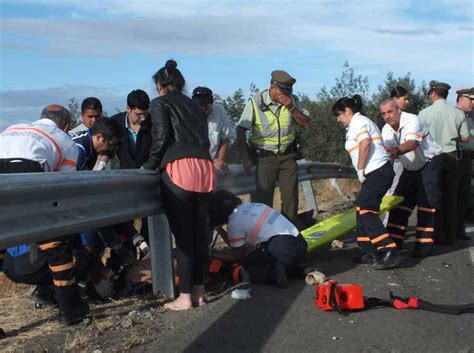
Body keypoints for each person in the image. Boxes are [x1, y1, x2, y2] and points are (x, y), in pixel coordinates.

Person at [0, 105, 89, 325]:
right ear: (66, 125)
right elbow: (62, 187)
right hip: (28, 171)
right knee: (55, 240)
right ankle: (70, 309)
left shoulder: (14, 127)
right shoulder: (66, 140)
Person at [142, 60, 215, 310]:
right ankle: (199, 292)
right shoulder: (195, 105)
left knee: (183, 237)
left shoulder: (159, 103)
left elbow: (161, 139)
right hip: (205, 168)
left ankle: (184, 297)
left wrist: (149, 166)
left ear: (159, 85)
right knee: (199, 235)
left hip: (178, 167)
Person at [332, 95, 399, 270]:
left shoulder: (358, 122)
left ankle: (388, 249)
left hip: (377, 172)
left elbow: (365, 143)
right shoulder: (357, 123)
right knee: (361, 209)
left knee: (367, 211)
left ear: (347, 111)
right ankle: (368, 250)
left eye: (338, 115)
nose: (338, 120)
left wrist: (360, 168)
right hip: (376, 173)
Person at [236, 70, 310, 223]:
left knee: (290, 198)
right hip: (264, 158)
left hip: (288, 155)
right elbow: (241, 129)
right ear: (272, 86)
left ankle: (289, 232)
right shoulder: (256, 101)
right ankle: (264, 236)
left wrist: (292, 108)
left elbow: (306, 123)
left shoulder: (293, 101)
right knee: (263, 200)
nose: (285, 95)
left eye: (289, 91)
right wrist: (245, 157)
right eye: (282, 91)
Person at [380, 98, 442, 258]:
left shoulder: (412, 120)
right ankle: (393, 244)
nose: (387, 116)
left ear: (398, 110)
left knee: (426, 206)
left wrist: (393, 152)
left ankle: (423, 248)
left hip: (428, 163)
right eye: (383, 113)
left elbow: (411, 145)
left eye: (390, 111)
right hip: (409, 168)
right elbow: (390, 157)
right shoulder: (386, 130)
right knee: (398, 204)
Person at [209, 190, 308, 288]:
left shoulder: (234, 222)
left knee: (248, 263)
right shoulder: (254, 206)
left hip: (280, 246)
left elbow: (238, 256)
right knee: (277, 260)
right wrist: (219, 229)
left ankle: (273, 274)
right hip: (300, 244)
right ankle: (300, 270)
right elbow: (235, 244)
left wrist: (211, 254)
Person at [418, 81, 469, 245]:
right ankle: (450, 235)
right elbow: (465, 138)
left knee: (432, 196)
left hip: (432, 157)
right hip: (452, 156)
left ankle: (433, 234)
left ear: (433, 93)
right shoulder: (457, 113)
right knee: (451, 197)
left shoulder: (423, 114)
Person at [192, 86, 231, 174]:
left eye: (206, 108)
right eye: (200, 108)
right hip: (193, 164)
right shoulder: (186, 113)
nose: (204, 111)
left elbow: (225, 138)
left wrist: (220, 160)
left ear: (211, 103)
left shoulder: (220, 111)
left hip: (212, 163)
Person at [110, 89, 152, 169]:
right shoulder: (115, 123)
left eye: (146, 113)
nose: (143, 118)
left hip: (149, 172)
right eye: (139, 114)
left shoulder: (153, 123)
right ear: (128, 109)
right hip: (125, 174)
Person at [456, 87, 474, 240]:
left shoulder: (471, 117)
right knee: (452, 196)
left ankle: (460, 229)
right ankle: (448, 230)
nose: (473, 103)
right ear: (461, 100)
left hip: (468, 160)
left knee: (464, 196)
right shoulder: (454, 116)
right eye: (471, 100)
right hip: (456, 159)